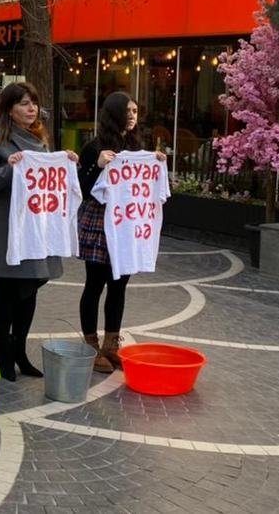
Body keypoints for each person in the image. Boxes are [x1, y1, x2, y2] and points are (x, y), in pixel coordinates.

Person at [0, 82, 77, 381]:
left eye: (33, 102)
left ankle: (20, 348)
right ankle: (3, 350)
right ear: (9, 108)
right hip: (10, 229)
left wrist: (65, 163)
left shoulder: (40, 140)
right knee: (7, 288)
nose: (31, 108)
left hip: (37, 227)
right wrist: (10, 168)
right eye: (23, 103)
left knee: (30, 286)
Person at [76, 92, 166, 372]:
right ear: (113, 113)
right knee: (95, 283)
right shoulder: (94, 147)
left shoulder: (137, 147)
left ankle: (111, 344)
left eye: (136, 111)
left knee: (120, 285)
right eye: (127, 111)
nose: (132, 116)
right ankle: (90, 344)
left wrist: (157, 162)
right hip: (101, 222)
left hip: (127, 224)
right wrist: (97, 164)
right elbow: (80, 186)